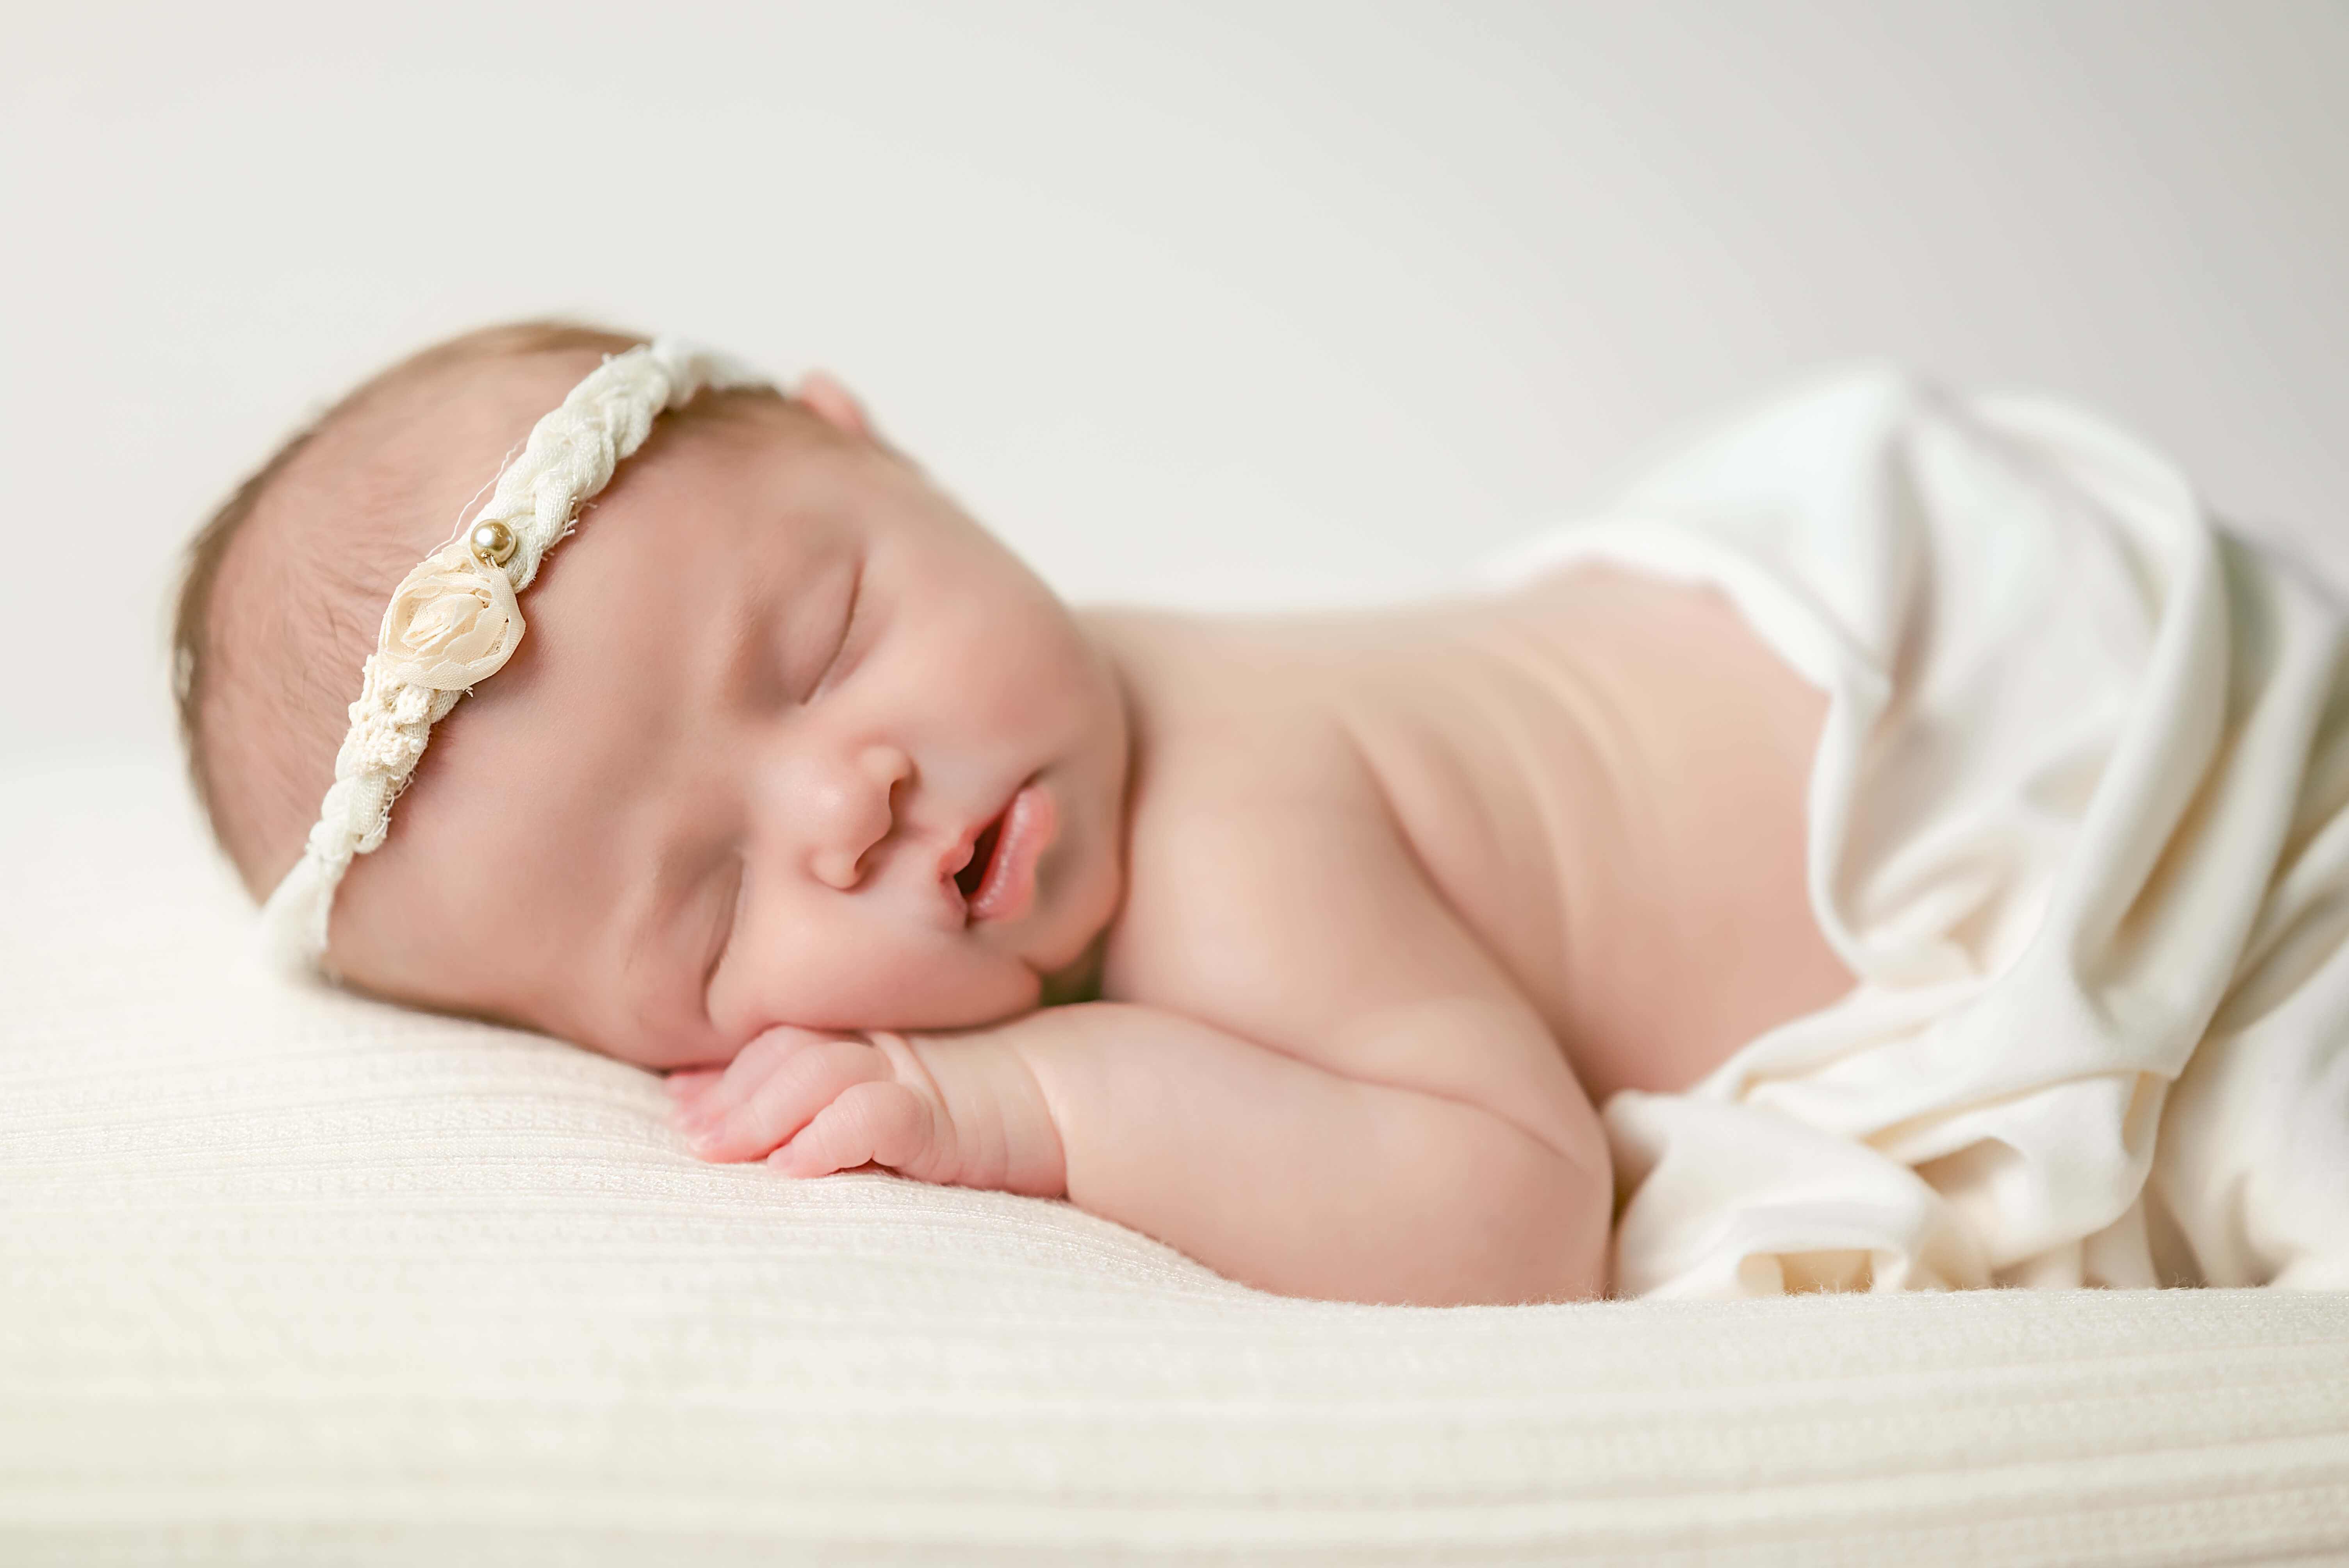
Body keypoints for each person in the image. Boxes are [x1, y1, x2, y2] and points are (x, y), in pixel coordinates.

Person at [173, 322, 2349, 1305]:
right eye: (706, 906)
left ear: (885, 448)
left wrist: (1021, 1111)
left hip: (2002, 758)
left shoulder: (1220, 857)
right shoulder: (1037, 741)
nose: (845, 803)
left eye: (827, 636)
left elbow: (1511, 1209)